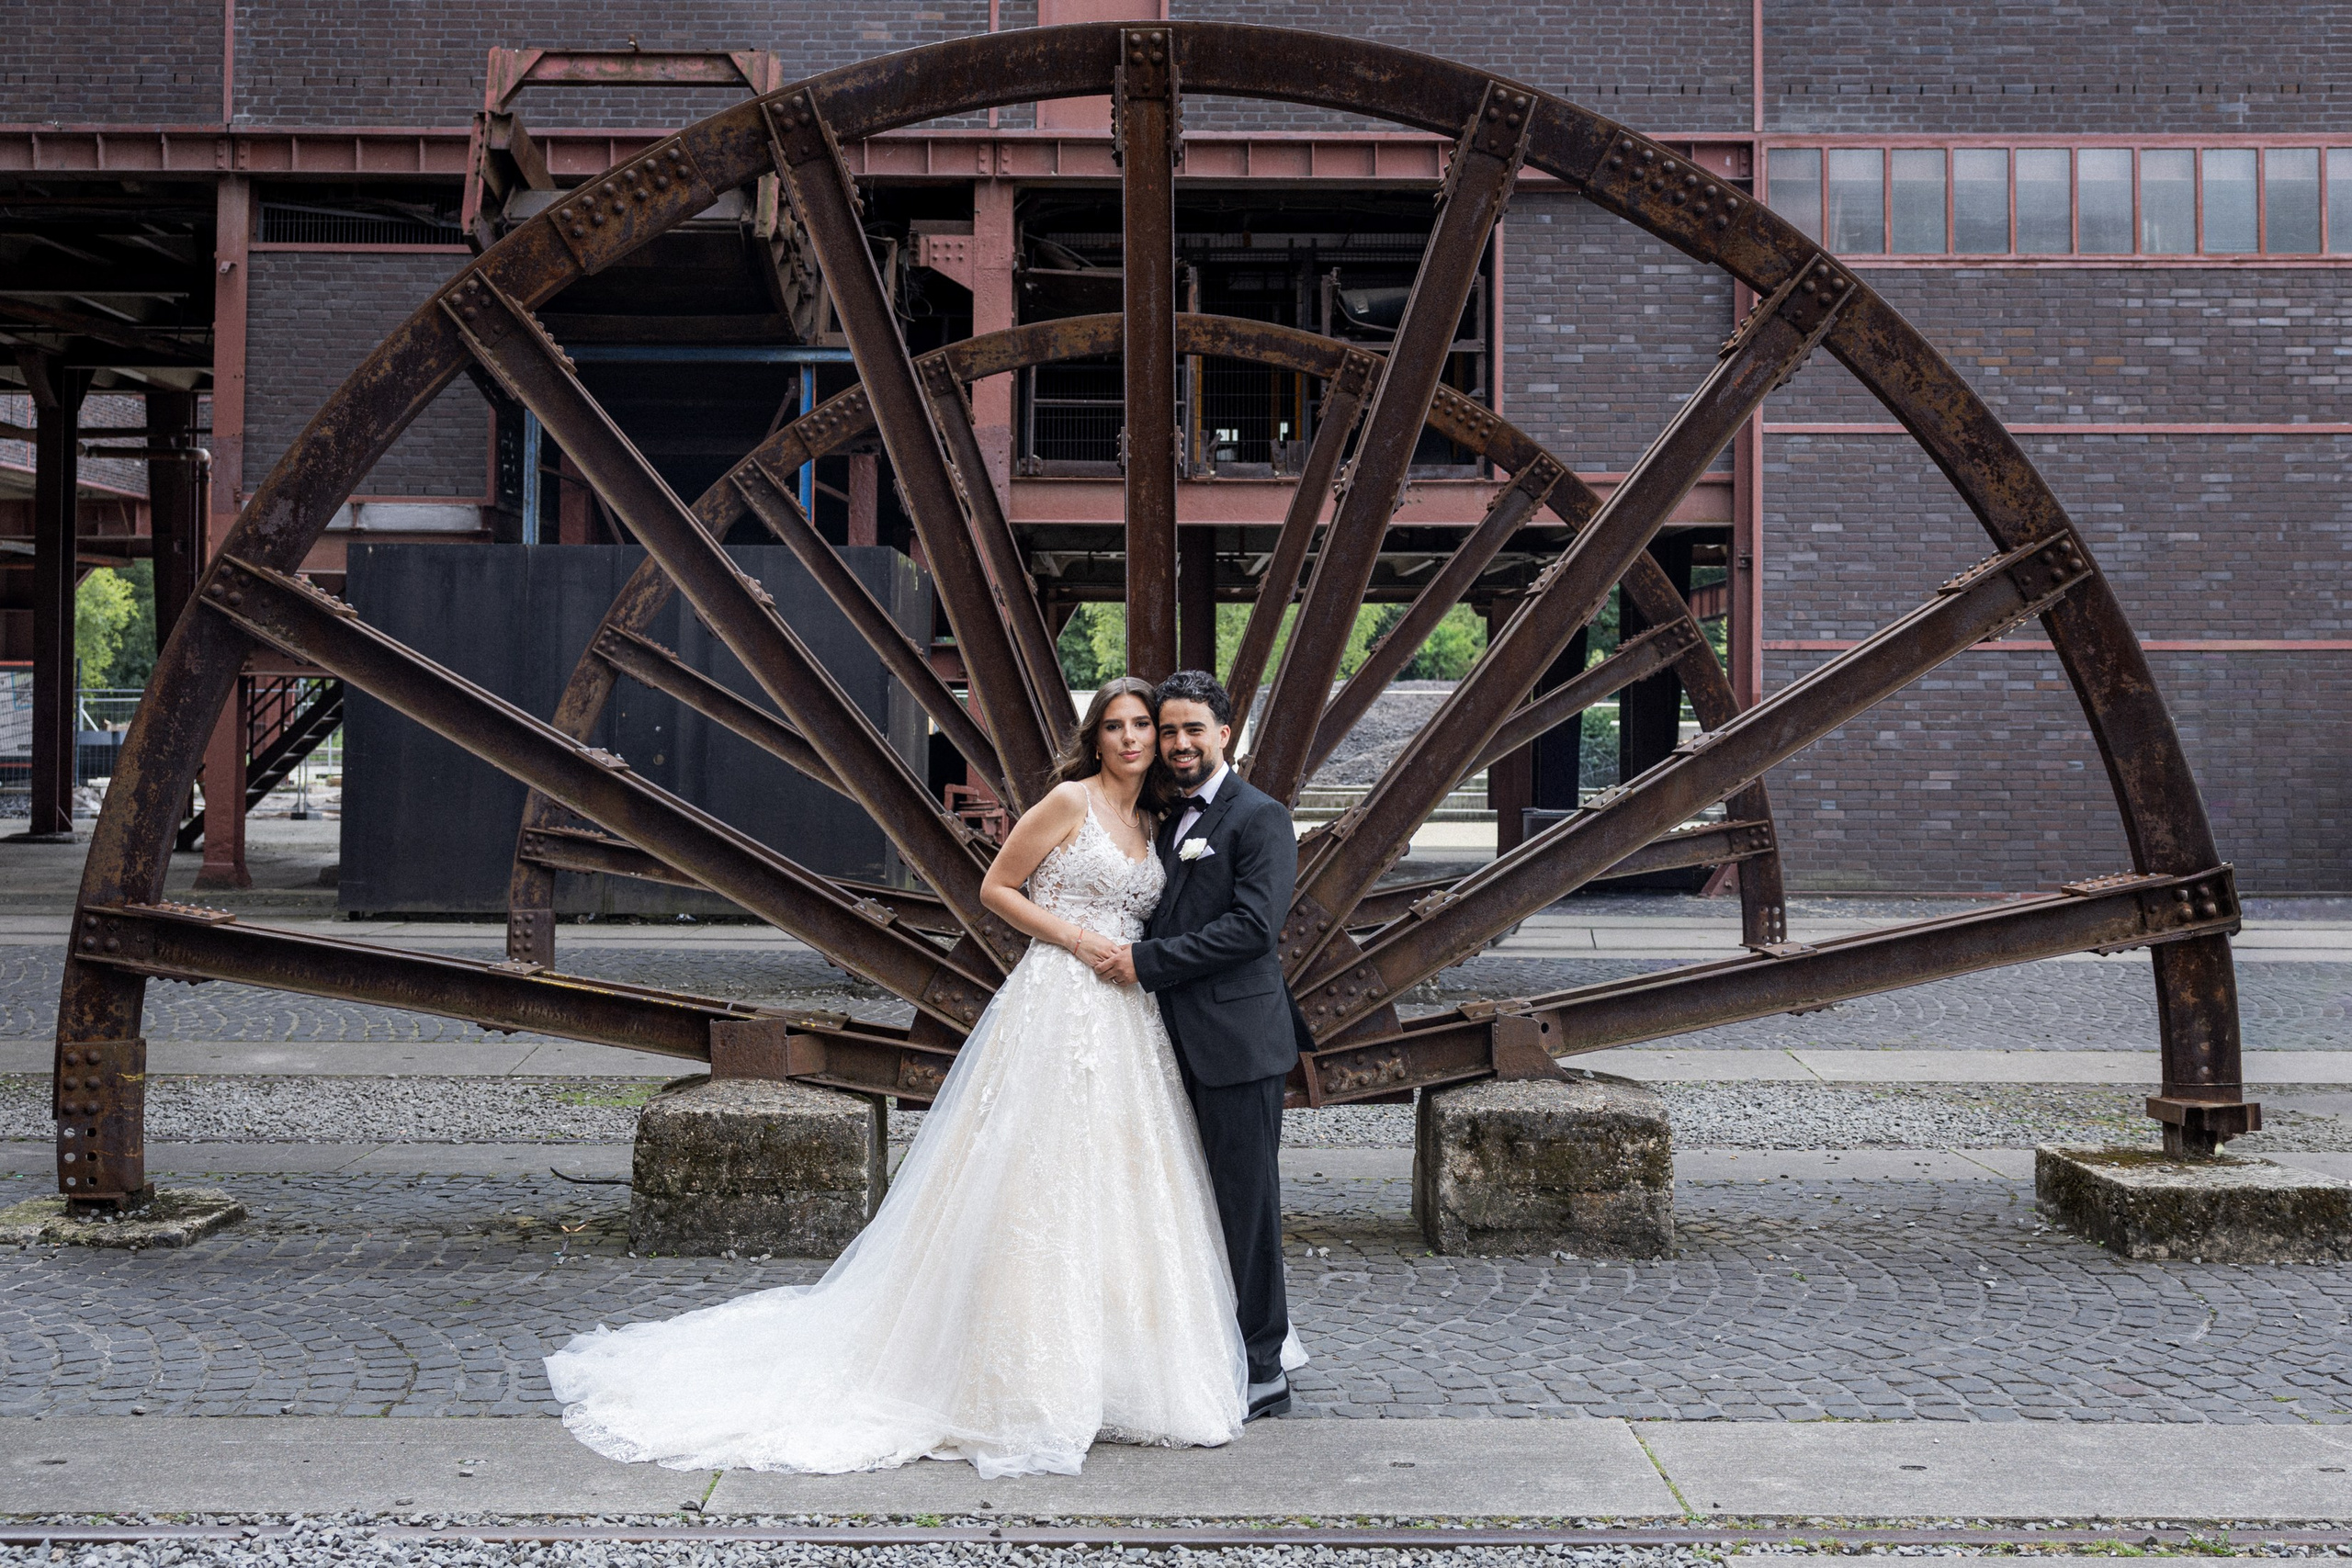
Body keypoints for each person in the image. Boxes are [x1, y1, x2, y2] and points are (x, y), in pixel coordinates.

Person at [542, 677, 1263, 1478]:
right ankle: (1016, 1374)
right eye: (1118, 726)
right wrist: (1070, 935)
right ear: (1095, 737)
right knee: (1035, 1177)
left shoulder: (1157, 819)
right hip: (1059, 996)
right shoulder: (1068, 801)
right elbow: (996, 887)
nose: (1134, 739)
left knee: (1126, 1184)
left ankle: (1125, 1374)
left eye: (1145, 727)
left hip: (1128, 1017)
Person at [1090, 668, 1310, 1422]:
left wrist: (1144, 962)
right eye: (1168, 729)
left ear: (1226, 733)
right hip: (1164, 1041)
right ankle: (1202, 1345)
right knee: (1184, 1201)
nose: (1178, 743)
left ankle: (1263, 1365)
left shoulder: (1260, 817)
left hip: (1238, 1043)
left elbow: (1253, 928)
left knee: (1247, 1205)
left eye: (1192, 730)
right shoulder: (1164, 814)